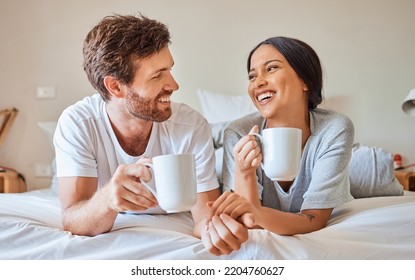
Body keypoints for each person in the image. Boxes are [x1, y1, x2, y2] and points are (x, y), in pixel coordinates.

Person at [53, 14, 247, 256]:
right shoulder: (78, 123)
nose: (174, 85)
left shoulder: (191, 125)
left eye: (169, 70)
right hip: (90, 177)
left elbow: (203, 216)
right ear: (115, 86)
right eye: (157, 75)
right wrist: (108, 199)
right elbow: (72, 219)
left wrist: (215, 229)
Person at [212, 36, 355, 235]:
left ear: (305, 80)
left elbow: (315, 218)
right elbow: (248, 221)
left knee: (373, 171)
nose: (258, 83)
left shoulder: (334, 128)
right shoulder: (238, 133)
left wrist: (259, 215)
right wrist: (245, 172)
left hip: (339, 169)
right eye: (252, 76)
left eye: (271, 68)